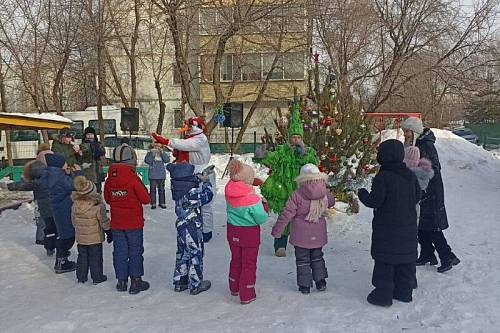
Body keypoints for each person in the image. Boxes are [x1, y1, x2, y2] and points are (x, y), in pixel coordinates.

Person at [358, 139, 421, 307]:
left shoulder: (383, 177)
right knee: (405, 261)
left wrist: (362, 193)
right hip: (407, 226)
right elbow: (418, 196)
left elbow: (375, 201)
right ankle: (404, 292)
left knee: (385, 262)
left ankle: (382, 295)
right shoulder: (409, 175)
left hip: (387, 228)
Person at [401, 117, 460, 273]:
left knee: (432, 227)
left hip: (430, 192)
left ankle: (448, 257)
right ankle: (427, 254)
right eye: (404, 131)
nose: (405, 135)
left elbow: (430, 171)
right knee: (421, 226)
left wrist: (414, 179)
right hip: (422, 192)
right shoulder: (417, 144)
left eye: (407, 131)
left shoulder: (425, 146)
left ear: (414, 131)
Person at [259, 101, 317, 257]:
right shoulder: (283, 151)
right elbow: (270, 159)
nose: (296, 140)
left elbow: (313, 166)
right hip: (284, 190)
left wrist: (304, 154)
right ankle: (280, 245)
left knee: (302, 220)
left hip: (302, 193)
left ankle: (304, 244)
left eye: (298, 137)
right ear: (289, 138)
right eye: (293, 137)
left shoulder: (308, 152)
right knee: (284, 218)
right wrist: (262, 153)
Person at [271, 164, 335, 294]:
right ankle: (321, 281)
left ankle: (304, 285)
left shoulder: (296, 195)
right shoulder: (325, 194)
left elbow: (287, 214)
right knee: (317, 257)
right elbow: (332, 201)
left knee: (302, 259)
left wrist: (277, 230)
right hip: (318, 234)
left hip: (301, 235)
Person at [152, 116, 216, 243]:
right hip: (191, 173)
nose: (186, 128)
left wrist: (166, 141)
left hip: (203, 171)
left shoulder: (200, 139)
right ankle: (194, 228)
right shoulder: (191, 139)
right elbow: (181, 147)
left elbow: (184, 145)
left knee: (206, 205)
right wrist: (166, 145)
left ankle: (207, 232)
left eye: (189, 126)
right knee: (191, 203)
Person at [104, 144, 151, 294]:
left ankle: (121, 281)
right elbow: (145, 198)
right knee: (135, 251)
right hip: (134, 223)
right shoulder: (132, 178)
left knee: (120, 251)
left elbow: (108, 198)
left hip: (117, 223)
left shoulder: (110, 179)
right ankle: (136, 281)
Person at [225, 159, 269, 304]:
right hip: (249, 234)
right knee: (248, 264)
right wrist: (265, 208)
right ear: (246, 180)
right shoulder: (252, 199)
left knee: (236, 260)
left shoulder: (229, 192)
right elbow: (261, 218)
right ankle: (247, 293)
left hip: (233, 231)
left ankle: (234, 287)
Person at [167, 162, 214, 295]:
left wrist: (200, 176)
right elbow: (207, 196)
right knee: (195, 254)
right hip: (192, 226)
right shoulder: (192, 192)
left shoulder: (178, 186)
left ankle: (180, 282)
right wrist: (206, 181)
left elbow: (188, 180)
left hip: (181, 226)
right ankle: (196, 284)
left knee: (182, 254)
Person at [6, 159, 57, 256]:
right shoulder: (50, 178)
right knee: (54, 226)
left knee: (46, 226)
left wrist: (10, 186)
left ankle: (47, 245)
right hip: (55, 205)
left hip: (44, 207)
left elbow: (22, 185)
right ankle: (55, 244)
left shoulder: (36, 182)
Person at [41, 154, 82, 273]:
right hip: (64, 209)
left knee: (63, 234)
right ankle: (61, 262)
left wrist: (67, 174)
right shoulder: (60, 177)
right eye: (64, 163)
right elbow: (77, 186)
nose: (66, 165)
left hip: (56, 209)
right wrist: (78, 173)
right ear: (59, 165)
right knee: (67, 236)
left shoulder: (50, 174)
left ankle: (62, 260)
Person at [72, 176, 112, 284]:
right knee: (96, 258)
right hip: (95, 238)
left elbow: (73, 221)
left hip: (81, 238)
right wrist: (109, 231)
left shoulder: (75, 204)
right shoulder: (98, 205)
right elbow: (103, 221)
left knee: (82, 257)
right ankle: (97, 277)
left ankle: (81, 277)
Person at [144, 141, 170, 209]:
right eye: (155, 145)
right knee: (152, 190)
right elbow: (148, 161)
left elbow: (167, 160)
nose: (157, 147)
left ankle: (162, 203)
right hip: (153, 174)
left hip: (161, 174)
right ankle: (153, 203)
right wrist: (152, 154)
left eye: (158, 145)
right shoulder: (150, 152)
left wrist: (162, 152)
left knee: (161, 190)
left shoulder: (163, 152)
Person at [81, 127, 106, 193]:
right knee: (89, 191)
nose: (89, 136)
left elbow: (103, 154)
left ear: (94, 135)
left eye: (91, 134)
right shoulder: (83, 145)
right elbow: (84, 155)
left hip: (98, 170)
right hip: (89, 172)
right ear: (85, 135)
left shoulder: (99, 144)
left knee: (98, 190)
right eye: (88, 134)